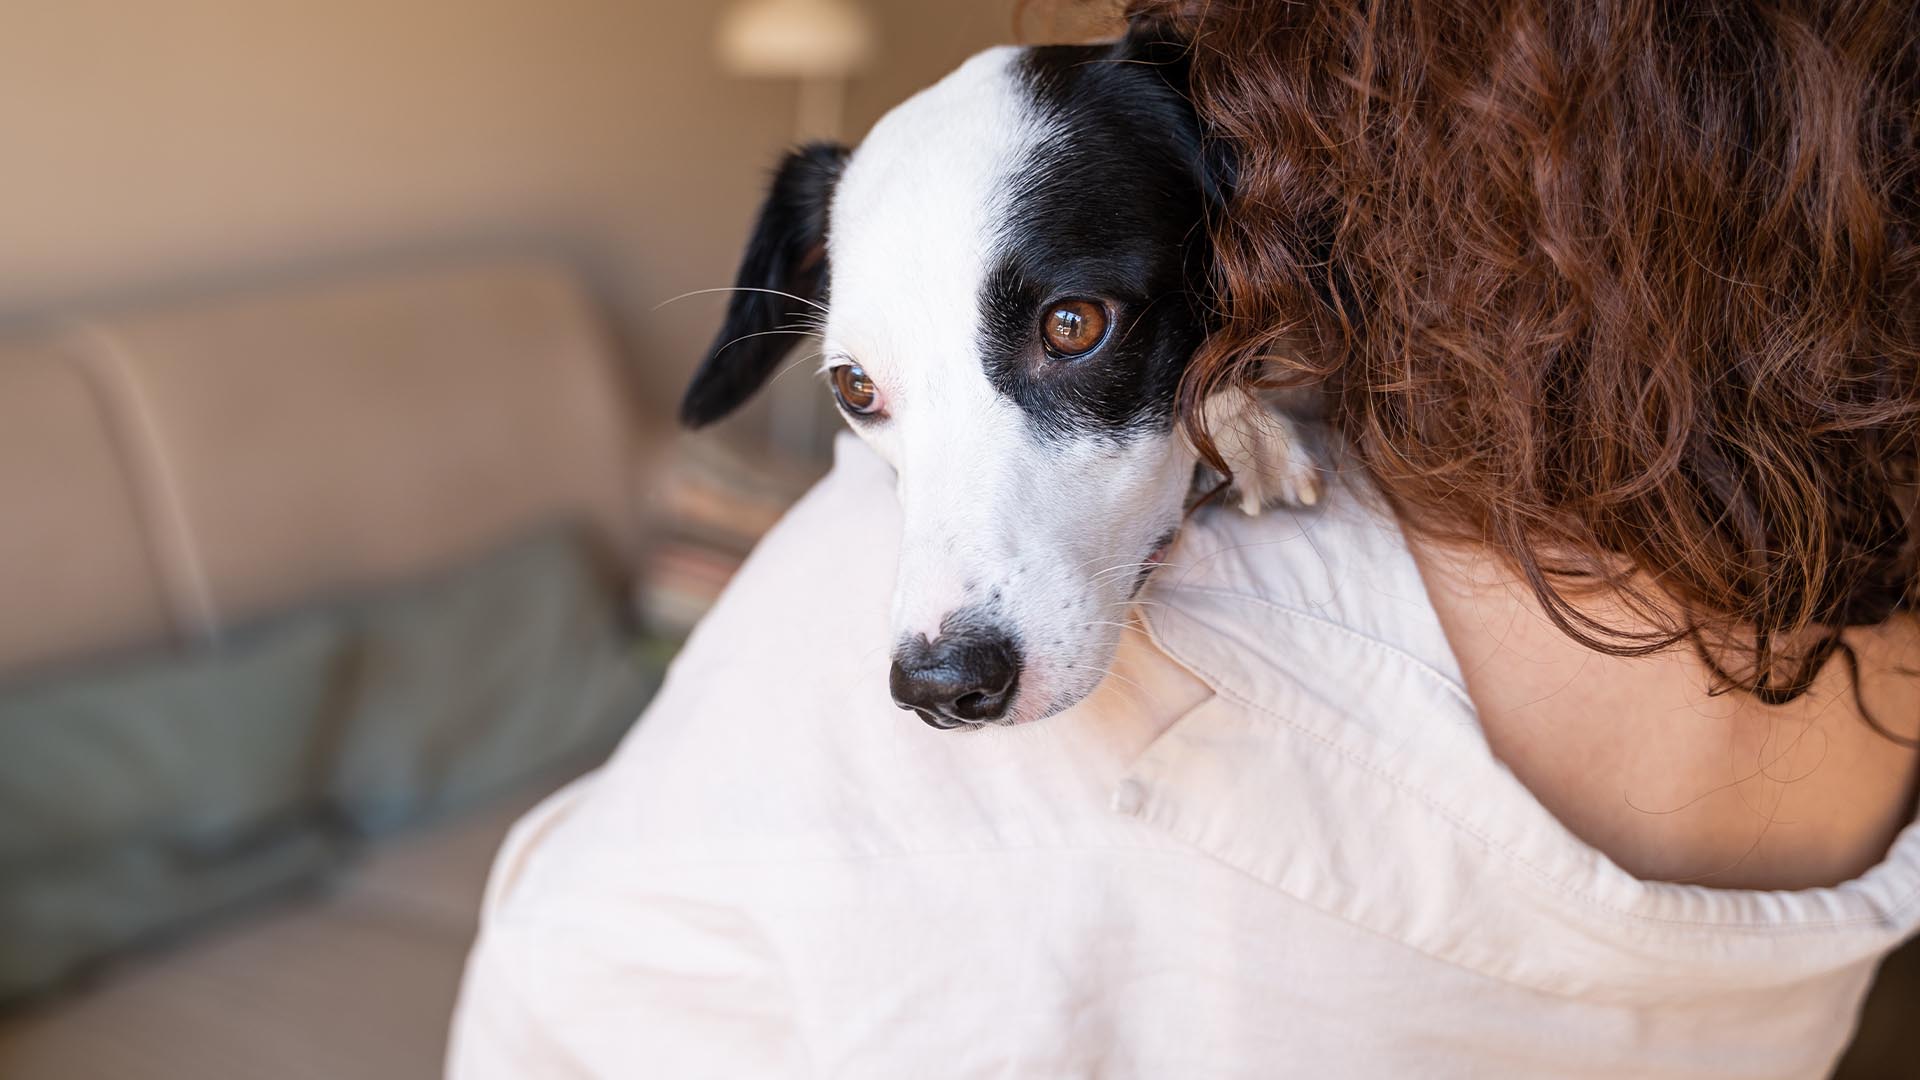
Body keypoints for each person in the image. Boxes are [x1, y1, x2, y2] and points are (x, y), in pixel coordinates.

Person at [448, 3, 1920, 1075]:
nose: (932, 629)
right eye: (867, 396)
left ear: (1271, 231)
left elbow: (563, 987)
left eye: (1071, 326)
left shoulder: (844, 625)